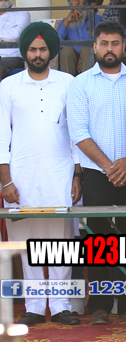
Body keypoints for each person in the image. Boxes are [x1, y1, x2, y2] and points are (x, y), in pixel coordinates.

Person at [0, 23, 81, 326]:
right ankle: (34, 305)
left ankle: (61, 305)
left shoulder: (69, 83)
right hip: (21, 176)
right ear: (25, 52)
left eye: (43, 49)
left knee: (62, 242)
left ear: (52, 52)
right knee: (27, 240)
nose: (37, 54)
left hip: (60, 173)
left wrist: (77, 174)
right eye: (33, 49)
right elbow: (1, 135)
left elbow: (77, 133)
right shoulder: (8, 86)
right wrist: (6, 180)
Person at [67, 20, 126, 325]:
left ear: (123, 47)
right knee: (98, 239)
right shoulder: (81, 84)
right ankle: (98, 304)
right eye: (104, 43)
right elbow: (79, 132)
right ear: (95, 47)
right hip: (97, 173)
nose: (109, 49)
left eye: (115, 43)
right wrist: (110, 167)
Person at [57, 0, 100, 76]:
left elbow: (100, 43)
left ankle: (87, 84)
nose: (76, 2)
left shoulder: (98, 20)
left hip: (89, 58)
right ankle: (68, 84)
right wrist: (67, 23)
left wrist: (81, 58)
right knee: (66, 51)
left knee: (87, 50)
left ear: (87, 2)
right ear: (69, 2)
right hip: (71, 59)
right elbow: (56, 43)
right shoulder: (64, 22)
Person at [0, 0, 29, 80]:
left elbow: (16, 35)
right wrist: (5, 36)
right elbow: (11, 35)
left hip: (12, 57)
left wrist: (10, 35)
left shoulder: (22, 13)